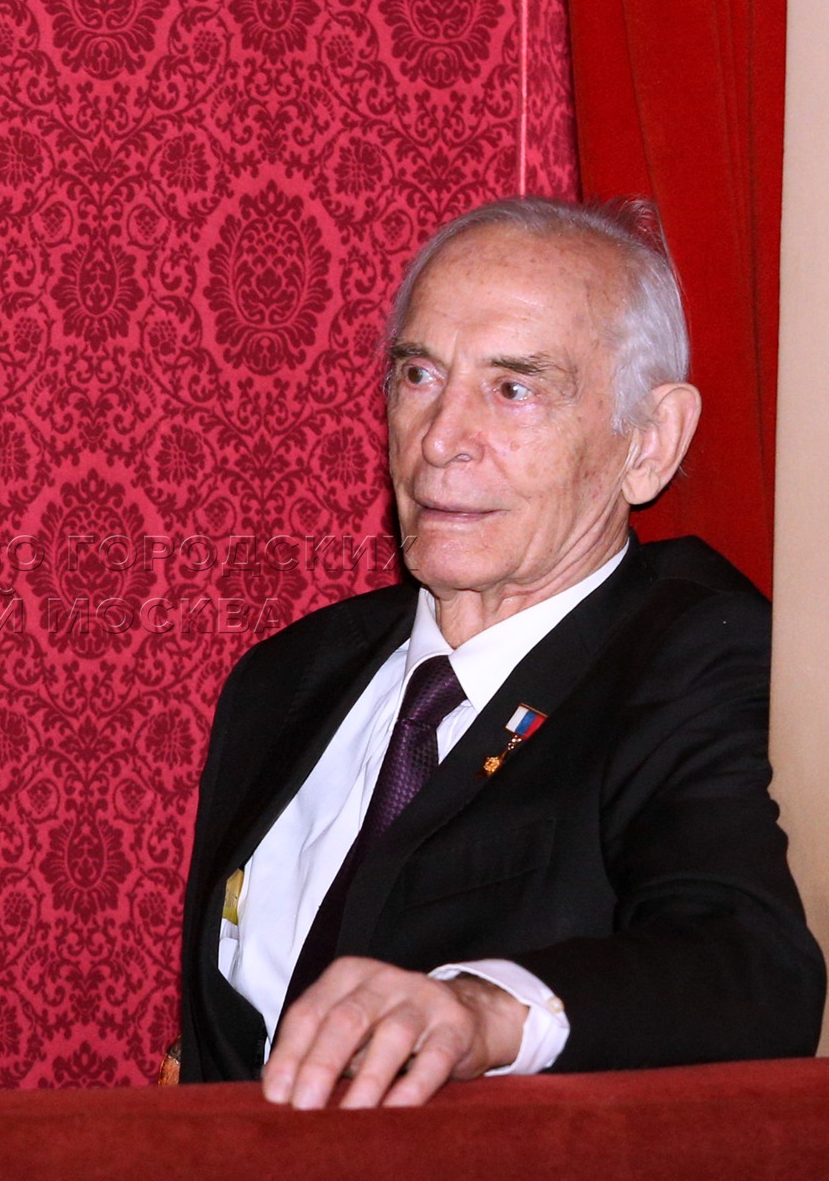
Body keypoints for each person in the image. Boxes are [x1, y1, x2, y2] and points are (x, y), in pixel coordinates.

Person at [177, 197, 824, 1108]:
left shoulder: (691, 657)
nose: (440, 440)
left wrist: (484, 1013)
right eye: (419, 376)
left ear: (649, 444)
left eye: (514, 389)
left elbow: (750, 967)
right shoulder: (288, 678)